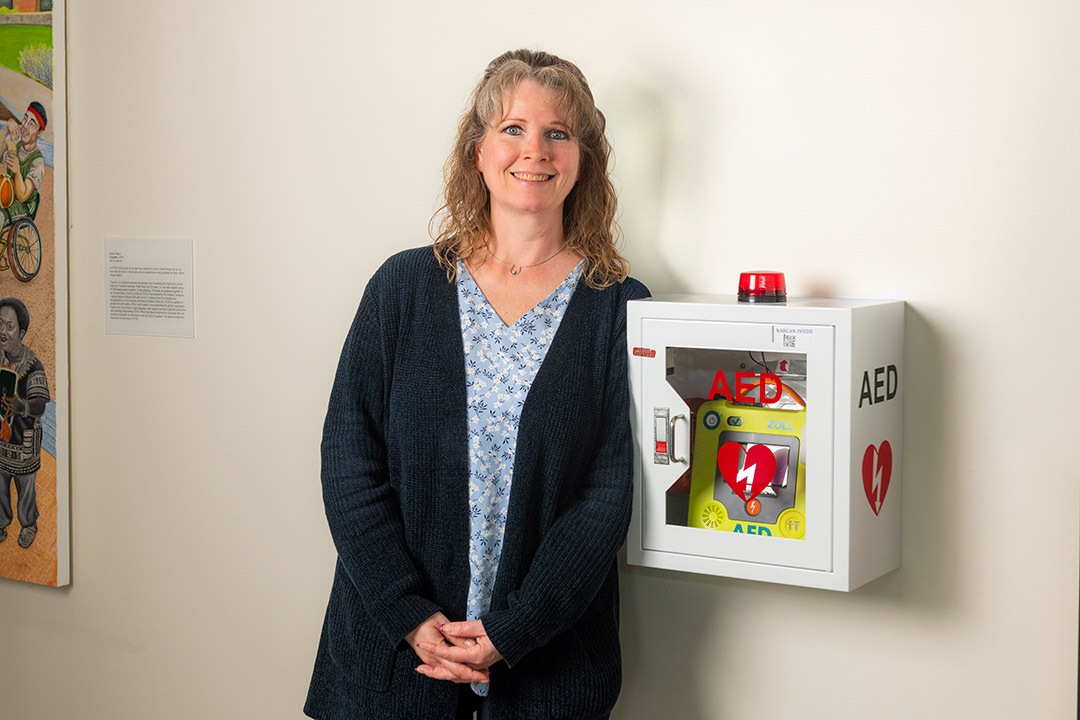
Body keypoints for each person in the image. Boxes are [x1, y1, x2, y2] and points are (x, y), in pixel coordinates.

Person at [305, 49, 649, 720]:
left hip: (546, 670)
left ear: (583, 158)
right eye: (513, 128)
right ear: (477, 151)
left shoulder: (617, 308)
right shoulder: (403, 288)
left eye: (559, 133)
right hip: (396, 660)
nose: (536, 151)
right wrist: (407, 613)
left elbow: (606, 496)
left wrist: (511, 631)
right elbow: (349, 461)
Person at [0, 296, 50, 549]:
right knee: (0, 485)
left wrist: (24, 407)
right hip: (0, 441)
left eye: (9, 327)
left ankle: (28, 524)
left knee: (26, 489)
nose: (2, 332)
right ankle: (1, 523)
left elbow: (41, 404)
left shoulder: (33, 367)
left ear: (21, 332)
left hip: (23, 443)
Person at [1, 101, 47, 226]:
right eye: (25, 119)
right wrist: (6, 127)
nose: (25, 126)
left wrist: (16, 172)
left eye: (31, 124)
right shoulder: (18, 144)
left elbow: (22, 196)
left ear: (39, 133)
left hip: (24, 206)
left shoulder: (38, 161)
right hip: (8, 195)